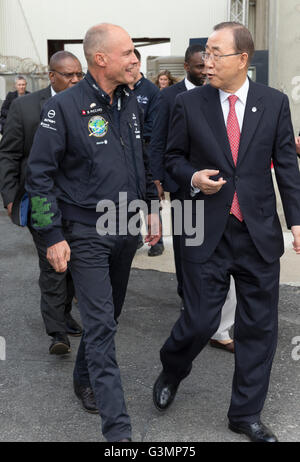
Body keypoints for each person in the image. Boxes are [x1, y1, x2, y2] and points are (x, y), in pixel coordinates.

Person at [153, 22, 300, 443]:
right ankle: (173, 368)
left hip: (257, 235)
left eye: (217, 53)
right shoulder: (189, 103)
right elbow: (172, 159)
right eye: (206, 53)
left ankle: (246, 414)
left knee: (259, 328)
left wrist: (296, 221)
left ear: (242, 59)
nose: (207, 61)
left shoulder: (273, 103)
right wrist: (193, 177)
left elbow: (287, 167)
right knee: (200, 321)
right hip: (205, 232)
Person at [26, 23, 161, 442]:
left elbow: (141, 162)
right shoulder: (64, 108)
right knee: (101, 324)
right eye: (128, 53)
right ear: (100, 58)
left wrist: (152, 210)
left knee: (110, 316)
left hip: (126, 229)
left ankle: (83, 377)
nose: (134, 60)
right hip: (84, 231)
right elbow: (39, 177)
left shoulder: (132, 103)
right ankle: (118, 434)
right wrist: (51, 236)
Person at [150, 44, 236, 351]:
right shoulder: (169, 98)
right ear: (187, 67)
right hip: (185, 190)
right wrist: (158, 180)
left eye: (209, 64)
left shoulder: (220, 94)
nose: (205, 70)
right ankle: (191, 303)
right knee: (189, 249)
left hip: (221, 194)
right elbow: (160, 142)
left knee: (218, 251)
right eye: (200, 66)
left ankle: (216, 320)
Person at [0, 51, 84, 355]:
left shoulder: (87, 105)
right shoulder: (24, 107)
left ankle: (63, 314)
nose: (75, 80)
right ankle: (57, 331)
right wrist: (10, 197)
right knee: (52, 264)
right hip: (38, 199)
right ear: (52, 76)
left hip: (77, 201)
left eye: (79, 75)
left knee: (74, 262)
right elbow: (8, 154)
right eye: (68, 75)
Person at [129, 48, 164, 256]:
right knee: (130, 195)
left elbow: (154, 125)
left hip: (147, 151)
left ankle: (156, 241)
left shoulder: (150, 91)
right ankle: (134, 238)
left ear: (139, 64)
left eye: (133, 64)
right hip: (126, 153)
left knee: (150, 195)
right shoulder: (120, 88)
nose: (129, 67)